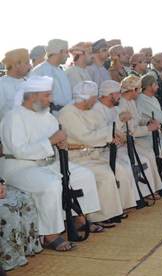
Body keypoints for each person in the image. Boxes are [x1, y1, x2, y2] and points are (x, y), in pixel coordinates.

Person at [0, 76, 101, 251]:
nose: (51, 99)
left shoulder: (46, 116)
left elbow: (57, 138)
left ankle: (79, 219)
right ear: (33, 96)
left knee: (84, 175)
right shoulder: (13, 117)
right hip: (19, 167)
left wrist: (61, 143)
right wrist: (51, 141)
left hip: (47, 163)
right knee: (51, 185)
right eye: (47, 95)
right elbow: (19, 151)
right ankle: (49, 235)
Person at [58, 81, 125, 227]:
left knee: (118, 168)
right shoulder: (67, 113)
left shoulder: (90, 109)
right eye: (93, 99)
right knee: (105, 174)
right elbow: (85, 137)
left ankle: (112, 211)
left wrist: (113, 134)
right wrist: (109, 133)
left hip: (93, 154)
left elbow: (103, 127)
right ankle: (98, 216)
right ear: (84, 98)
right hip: (76, 157)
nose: (95, 102)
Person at [30, 39, 73, 111]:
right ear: (60, 52)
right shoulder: (39, 71)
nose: (68, 56)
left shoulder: (61, 71)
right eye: (66, 52)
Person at [0, 49, 31, 122]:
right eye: (27, 63)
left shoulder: (28, 82)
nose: (30, 66)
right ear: (17, 65)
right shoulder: (2, 84)